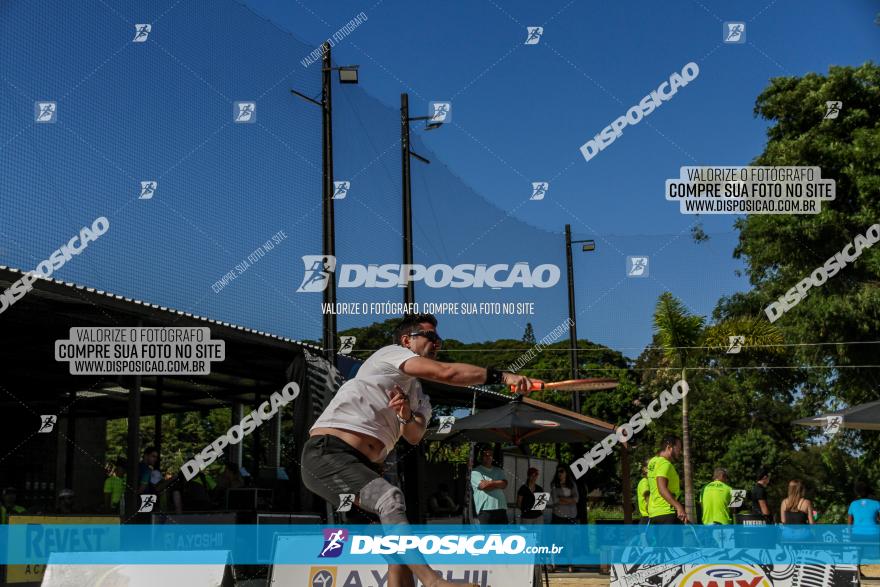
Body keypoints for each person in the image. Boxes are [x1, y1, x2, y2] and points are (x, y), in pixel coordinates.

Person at [301, 313, 539, 587]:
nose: (437, 343)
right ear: (406, 340)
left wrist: (404, 414)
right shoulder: (390, 355)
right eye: (431, 337)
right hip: (327, 454)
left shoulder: (420, 398)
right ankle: (434, 581)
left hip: (363, 467)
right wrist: (502, 375)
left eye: (439, 339)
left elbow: (413, 436)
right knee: (390, 498)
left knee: (399, 555)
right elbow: (447, 373)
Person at [647, 436, 686, 524]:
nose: (680, 451)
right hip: (667, 512)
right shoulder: (665, 464)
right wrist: (678, 506)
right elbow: (662, 489)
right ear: (669, 448)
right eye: (678, 448)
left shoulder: (653, 461)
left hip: (654, 513)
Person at [471, 447, 509, 524]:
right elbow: (483, 486)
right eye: (486, 455)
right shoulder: (475, 471)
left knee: (502, 535)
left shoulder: (499, 470)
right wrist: (498, 483)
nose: (488, 457)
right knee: (486, 535)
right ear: (481, 457)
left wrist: (490, 482)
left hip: (501, 507)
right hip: (485, 509)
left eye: (490, 455)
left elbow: (504, 484)